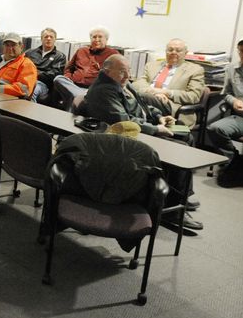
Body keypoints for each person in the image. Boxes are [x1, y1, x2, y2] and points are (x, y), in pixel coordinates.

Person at [80, 54, 202, 230]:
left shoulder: (123, 83)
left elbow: (144, 106)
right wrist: (155, 129)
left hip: (146, 125)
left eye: (128, 71)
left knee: (186, 135)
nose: (127, 75)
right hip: (131, 135)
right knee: (179, 148)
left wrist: (160, 117)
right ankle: (173, 210)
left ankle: (181, 194)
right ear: (106, 71)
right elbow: (122, 121)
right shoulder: (103, 90)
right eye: (122, 71)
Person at [131, 38, 205, 128]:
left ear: (186, 53)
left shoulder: (195, 70)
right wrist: (154, 92)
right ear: (166, 51)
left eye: (178, 50)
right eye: (170, 50)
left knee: (141, 96)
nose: (173, 52)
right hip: (149, 98)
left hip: (172, 106)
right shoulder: (152, 65)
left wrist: (166, 92)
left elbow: (194, 96)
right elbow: (137, 83)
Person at [47, 26, 119, 110]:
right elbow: (69, 68)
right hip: (72, 85)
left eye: (100, 37)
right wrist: (68, 77)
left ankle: (79, 97)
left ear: (106, 39)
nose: (96, 39)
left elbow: (115, 75)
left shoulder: (113, 55)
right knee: (58, 79)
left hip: (92, 89)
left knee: (72, 98)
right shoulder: (82, 50)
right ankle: (81, 96)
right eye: (94, 37)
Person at [207, 36, 243, 159]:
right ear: (238, 51)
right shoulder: (231, 69)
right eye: (242, 50)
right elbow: (226, 93)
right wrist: (234, 100)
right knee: (215, 128)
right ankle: (231, 160)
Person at [24, 27, 66, 101]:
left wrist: (34, 73)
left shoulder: (60, 56)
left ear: (55, 39)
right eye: (46, 37)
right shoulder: (30, 52)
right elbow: (22, 66)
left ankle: (28, 112)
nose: (49, 39)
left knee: (33, 90)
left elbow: (55, 75)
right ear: (41, 39)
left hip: (42, 85)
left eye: (51, 37)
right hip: (26, 80)